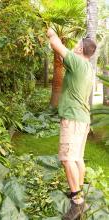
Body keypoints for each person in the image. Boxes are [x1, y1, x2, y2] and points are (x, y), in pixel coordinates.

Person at [47, 28, 97, 220]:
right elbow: (63, 55)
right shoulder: (87, 69)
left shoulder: (77, 62)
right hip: (83, 119)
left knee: (67, 159)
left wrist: (52, 33)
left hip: (73, 119)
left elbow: (55, 44)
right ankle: (79, 191)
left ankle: (77, 202)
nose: (74, 45)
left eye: (77, 44)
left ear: (80, 49)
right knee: (77, 158)